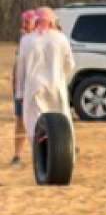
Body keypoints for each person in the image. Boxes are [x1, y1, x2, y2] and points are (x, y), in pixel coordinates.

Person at [14, 8, 75, 145]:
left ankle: (41, 152)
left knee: (35, 121)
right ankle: (64, 147)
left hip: (34, 86)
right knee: (62, 118)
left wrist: (20, 92)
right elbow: (70, 64)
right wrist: (60, 75)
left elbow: (21, 68)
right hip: (56, 85)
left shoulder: (26, 40)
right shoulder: (61, 38)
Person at [11, 9, 37, 165]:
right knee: (20, 120)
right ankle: (17, 155)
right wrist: (15, 83)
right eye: (24, 21)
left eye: (27, 21)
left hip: (35, 85)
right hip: (21, 86)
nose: (24, 25)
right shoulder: (23, 39)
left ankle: (40, 154)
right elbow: (17, 63)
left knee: (39, 120)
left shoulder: (38, 40)